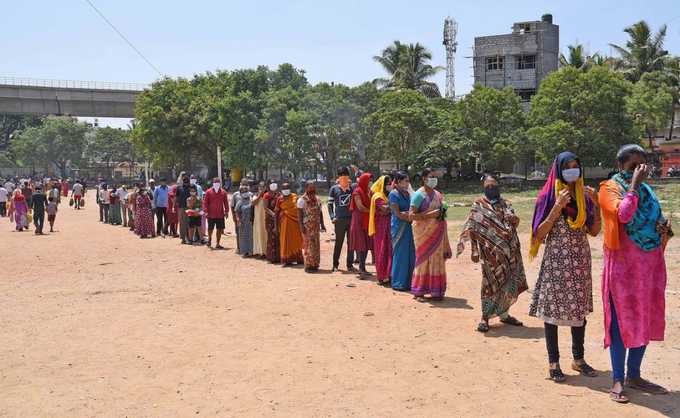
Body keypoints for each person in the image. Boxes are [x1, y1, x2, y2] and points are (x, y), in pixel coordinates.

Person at [599, 144, 671, 403]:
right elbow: (624, 215)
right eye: (633, 166)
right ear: (620, 166)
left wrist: (663, 229)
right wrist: (634, 187)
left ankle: (635, 375)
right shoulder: (609, 188)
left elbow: (654, 219)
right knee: (620, 323)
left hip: (649, 267)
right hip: (622, 270)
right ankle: (618, 379)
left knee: (645, 317)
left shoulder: (648, 191)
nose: (639, 171)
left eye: (643, 165)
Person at [528, 151, 600, 383]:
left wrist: (596, 204)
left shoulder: (584, 197)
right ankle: (554, 362)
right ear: (558, 169)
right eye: (567, 166)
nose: (572, 170)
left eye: (575, 166)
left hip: (579, 261)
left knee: (578, 310)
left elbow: (594, 230)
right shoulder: (547, 197)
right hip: (556, 262)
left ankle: (578, 359)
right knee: (553, 312)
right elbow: (538, 235)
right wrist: (557, 207)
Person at [457, 174, 527, 333]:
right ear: (483, 187)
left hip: (509, 253)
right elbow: (473, 229)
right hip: (490, 254)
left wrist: (515, 219)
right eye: (488, 186)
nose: (491, 188)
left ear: (498, 185)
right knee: (489, 284)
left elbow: (514, 223)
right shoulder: (479, 204)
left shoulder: (506, 204)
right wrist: (474, 251)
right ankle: (485, 317)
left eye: (493, 185)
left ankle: (504, 314)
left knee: (508, 282)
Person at [409, 168, 451, 301]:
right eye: (431, 177)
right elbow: (411, 216)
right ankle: (419, 292)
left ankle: (436, 291)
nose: (433, 179)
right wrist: (430, 215)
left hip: (437, 232)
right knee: (423, 261)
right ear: (424, 178)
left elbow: (442, 214)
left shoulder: (438, 195)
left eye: (435, 177)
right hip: (423, 235)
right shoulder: (418, 195)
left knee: (437, 261)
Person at [388, 171, 415, 291]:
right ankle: (398, 282)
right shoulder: (393, 194)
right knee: (400, 254)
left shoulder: (407, 194)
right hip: (399, 227)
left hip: (409, 226)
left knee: (410, 254)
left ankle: (409, 282)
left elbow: (410, 210)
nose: (408, 183)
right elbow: (397, 213)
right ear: (399, 182)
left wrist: (409, 215)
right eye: (406, 181)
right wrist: (409, 216)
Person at [328, 167, 355, 272]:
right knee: (338, 242)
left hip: (351, 219)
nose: (344, 177)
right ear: (338, 177)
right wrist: (332, 216)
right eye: (341, 175)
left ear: (349, 176)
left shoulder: (352, 189)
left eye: (346, 175)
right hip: (339, 220)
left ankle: (350, 264)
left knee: (351, 243)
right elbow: (329, 204)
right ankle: (335, 265)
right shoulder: (334, 189)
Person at [297, 180, 326, 272]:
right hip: (307, 226)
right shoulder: (301, 200)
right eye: (310, 187)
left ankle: (315, 264)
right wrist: (301, 226)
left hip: (316, 226)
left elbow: (320, 212)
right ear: (306, 188)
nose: (312, 189)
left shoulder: (317, 199)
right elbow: (299, 214)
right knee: (308, 246)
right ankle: (308, 266)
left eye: (313, 187)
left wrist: (322, 224)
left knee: (316, 245)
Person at [369, 175, 393, 285]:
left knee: (389, 250)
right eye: (387, 183)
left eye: (390, 183)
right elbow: (385, 209)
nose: (389, 185)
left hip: (389, 227)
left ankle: (389, 274)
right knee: (381, 250)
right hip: (380, 228)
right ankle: (382, 276)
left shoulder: (387, 196)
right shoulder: (378, 197)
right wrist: (395, 205)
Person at [349, 172, 372, 277]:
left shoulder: (369, 191)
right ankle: (361, 268)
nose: (370, 182)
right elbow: (360, 207)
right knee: (361, 244)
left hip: (367, 220)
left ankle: (363, 268)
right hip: (358, 220)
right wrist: (373, 211)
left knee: (366, 244)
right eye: (369, 180)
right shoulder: (357, 192)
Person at [276, 182, 304, 266]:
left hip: (295, 223)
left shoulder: (295, 197)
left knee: (297, 240)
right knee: (285, 241)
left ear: (290, 189)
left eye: (287, 188)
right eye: (284, 189)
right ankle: (286, 260)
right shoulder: (279, 199)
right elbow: (276, 213)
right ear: (281, 190)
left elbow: (300, 209)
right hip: (284, 223)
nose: (286, 190)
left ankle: (298, 258)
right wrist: (275, 226)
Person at [203, 177, 229, 249]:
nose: (217, 184)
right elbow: (205, 203)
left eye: (218, 183)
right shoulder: (208, 192)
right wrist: (206, 211)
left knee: (220, 229)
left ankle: (218, 243)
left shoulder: (223, 192)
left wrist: (226, 211)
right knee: (210, 228)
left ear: (220, 184)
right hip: (211, 214)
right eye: (215, 183)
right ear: (213, 183)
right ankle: (209, 240)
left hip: (220, 214)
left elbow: (226, 203)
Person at [230, 179, 249, 253]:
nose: (244, 185)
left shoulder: (250, 194)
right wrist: (234, 218)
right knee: (238, 232)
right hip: (239, 217)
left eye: (246, 184)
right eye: (242, 184)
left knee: (247, 232)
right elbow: (232, 206)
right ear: (240, 184)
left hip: (247, 217)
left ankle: (247, 248)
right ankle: (239, 248)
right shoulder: (235, 194)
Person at [263, 182, 280, 263]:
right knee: (271, 237)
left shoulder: (279, 195)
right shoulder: (266, 195)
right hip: (270, 219)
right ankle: (271, 258)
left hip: (278, 219)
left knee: (278, 237)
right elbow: (265, 208)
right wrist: (273, 214)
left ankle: (278, 257)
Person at [235, 186, 255, 256]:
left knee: (251, 236)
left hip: (251, 222)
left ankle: (251, 251)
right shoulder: (239, 202)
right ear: (240, 193)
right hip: (243, 222)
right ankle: (244, 252)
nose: (245, 193)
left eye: (246, 192)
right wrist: (238, 220)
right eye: (243, 192)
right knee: (243, 237)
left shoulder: (251, 200)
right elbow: (237, 212)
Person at [252, 181, 268, 257]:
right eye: (260, 187)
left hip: (266, 218)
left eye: (263, 187)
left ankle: (266, 251)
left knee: (266, 234)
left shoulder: (267, 196)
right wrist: (260, 195)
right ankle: (260, 252)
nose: (261, 189)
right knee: (259, 234)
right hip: (258, 219)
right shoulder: (255, 195)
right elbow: (253, 203)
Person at [175, 174, 192, 244]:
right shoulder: (179, 188)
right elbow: (177, 197)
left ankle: (189, 237)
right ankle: (183, 238)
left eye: (187, 181)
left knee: (189, 223)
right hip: (181, 207)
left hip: (190, 207)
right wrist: (175, 206)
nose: (186, 183)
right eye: (184, 181)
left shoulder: (191, 187)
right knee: (182, 223)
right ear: (183, 181)